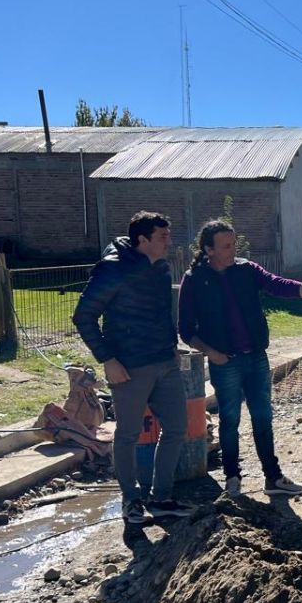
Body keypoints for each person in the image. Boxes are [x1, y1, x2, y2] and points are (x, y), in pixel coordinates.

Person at [178, 220, 302, 498]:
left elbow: (281, 285)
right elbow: (186, 329)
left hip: (256, 358)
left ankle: (273, 478)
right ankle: (232, 479)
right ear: (208, 249)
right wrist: (212, 354)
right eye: (226, 246)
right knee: (230, 421)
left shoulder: (246, 271)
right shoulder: (195, 279)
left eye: (234, 243)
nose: (233, 250)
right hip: (226, 362)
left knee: (263, 418)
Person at [73, 211, 194, 525]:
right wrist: (108, 360)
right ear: (143, 240)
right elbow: (83, 317)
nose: (170, 242)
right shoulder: (113, 270)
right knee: (127, 435)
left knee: (177, 428)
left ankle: (161, 497)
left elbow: (163, 313)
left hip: (164, 362)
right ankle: (131, 501)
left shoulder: (162, 268)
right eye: (163, 236)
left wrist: (172, 347)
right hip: (128, 367)